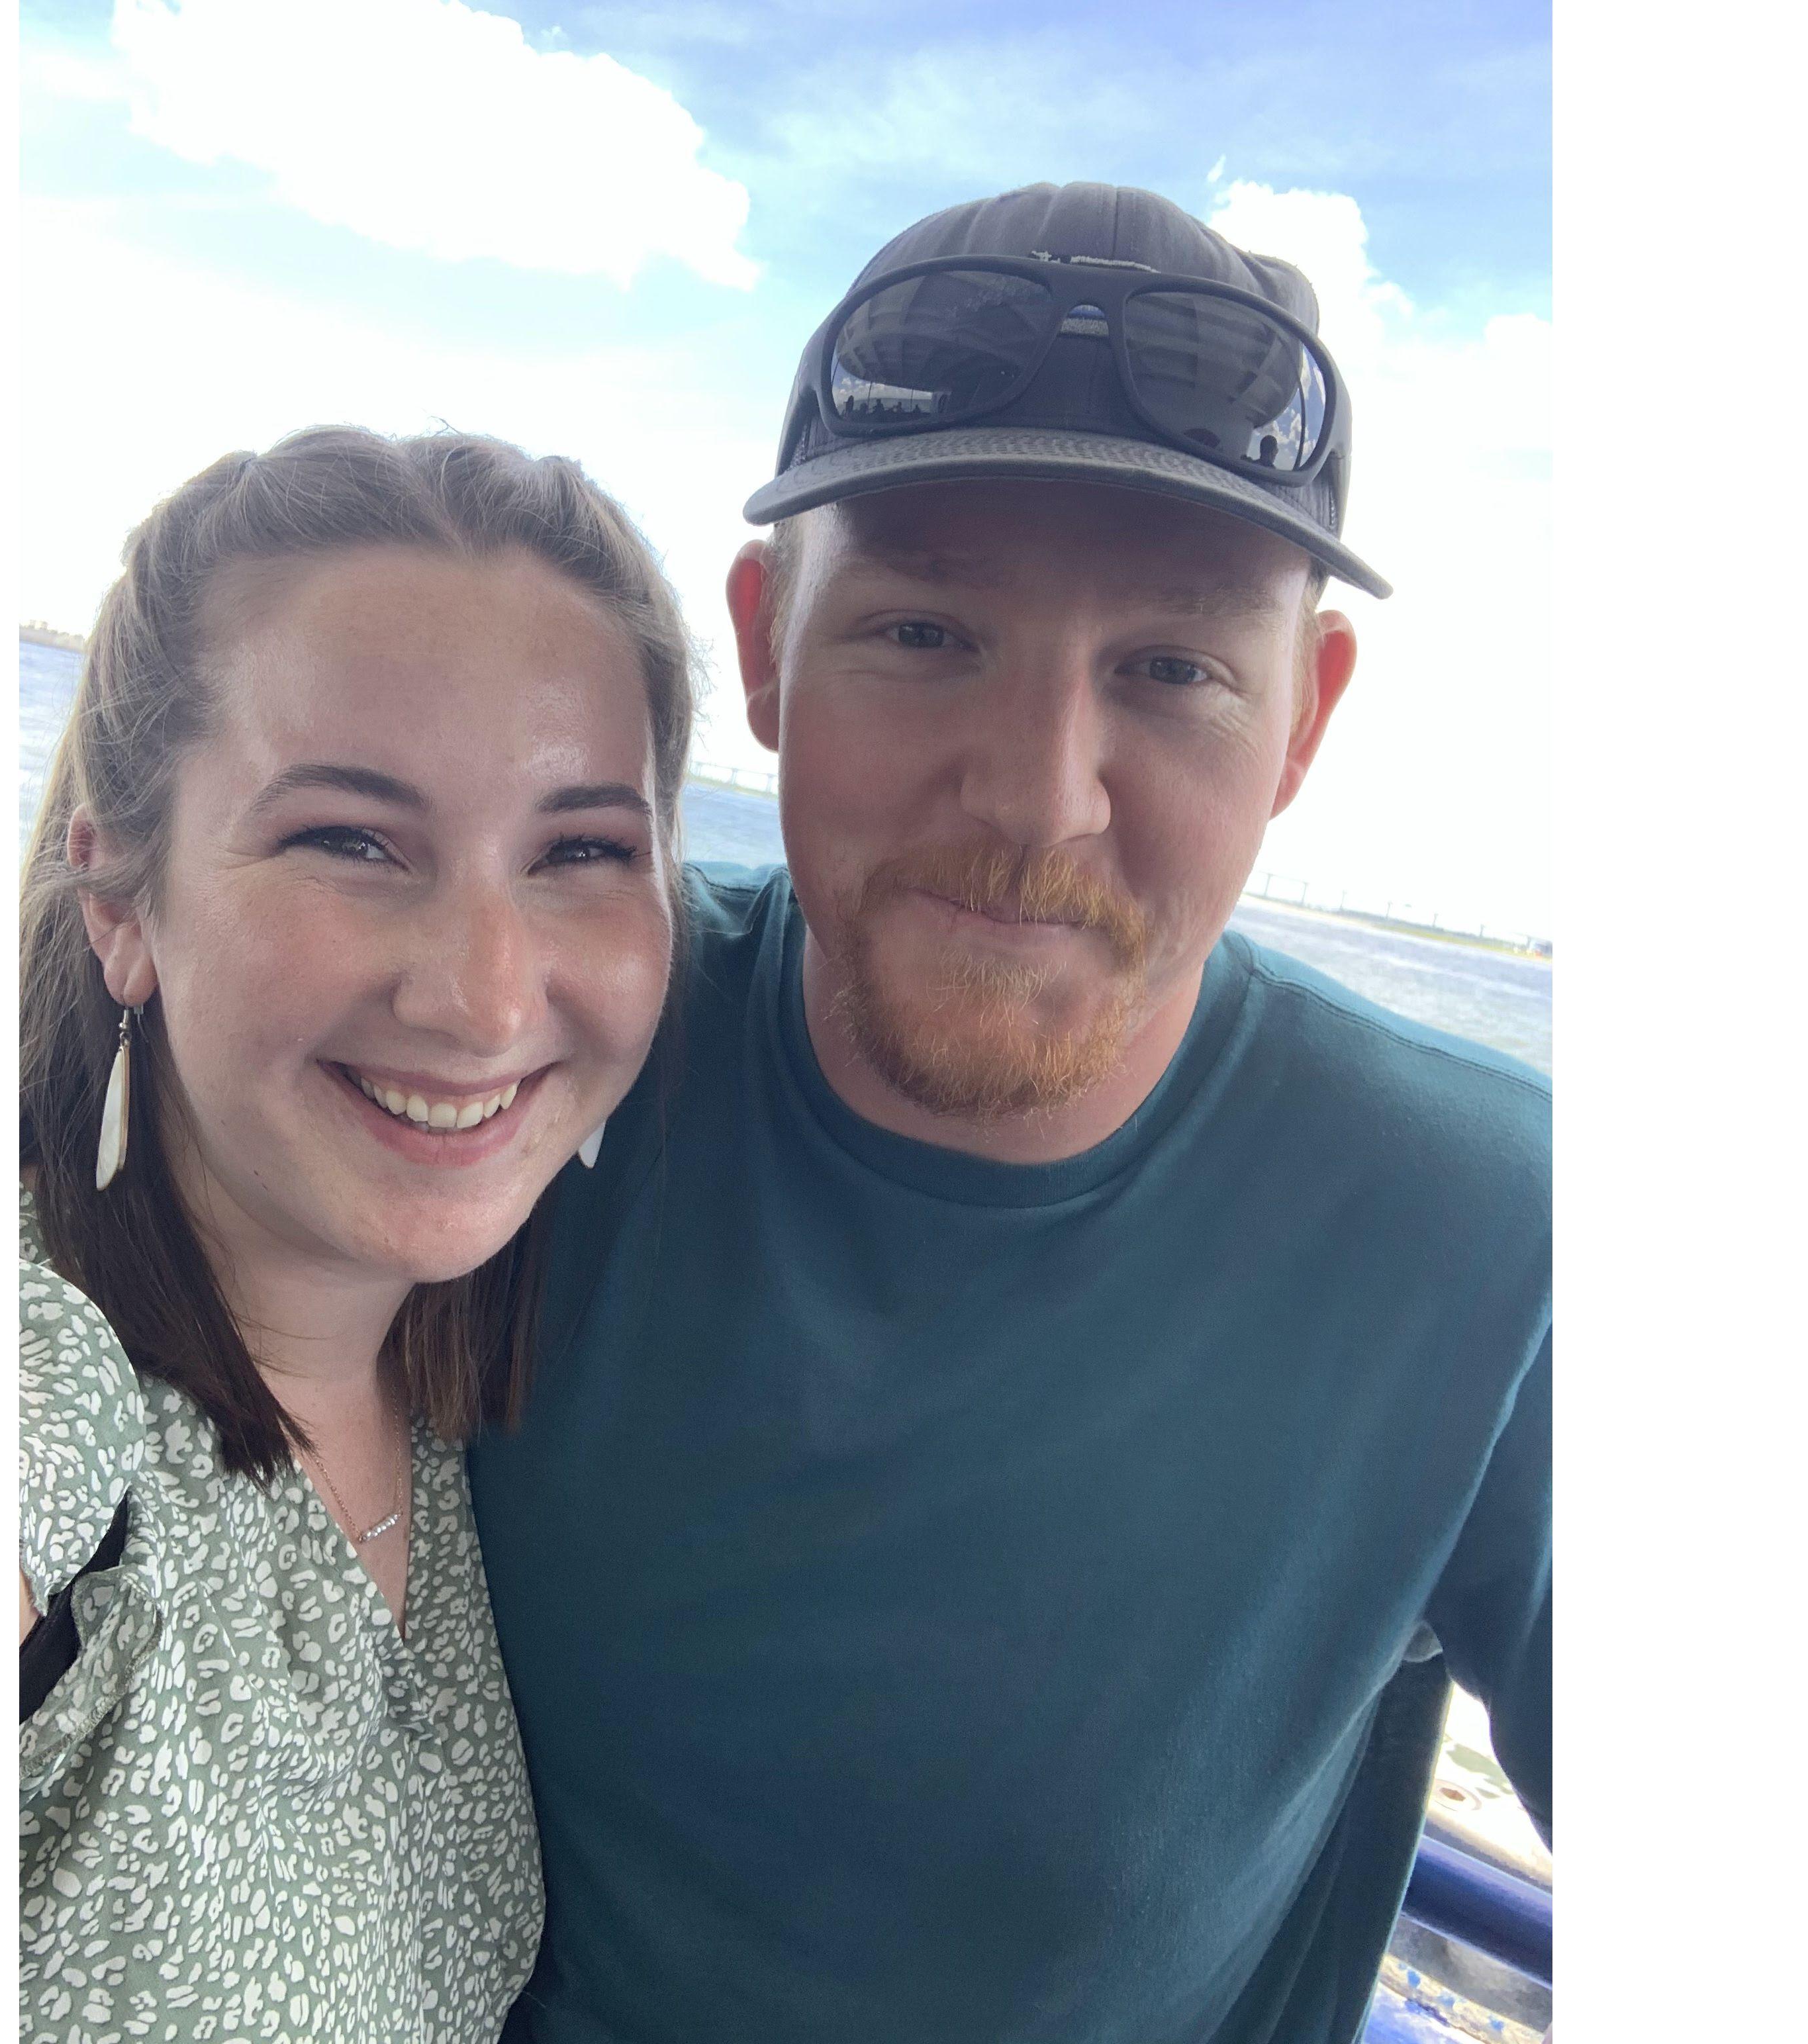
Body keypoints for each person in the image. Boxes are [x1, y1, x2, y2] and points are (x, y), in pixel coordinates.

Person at [469, 183, 1550, 2044]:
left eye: (1176, 671)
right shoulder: (521, 1047)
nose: (1040, 797)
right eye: (926, 634)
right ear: (765, 647)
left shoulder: (1500, 1238)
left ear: (1303, 723)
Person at [18, 426, 694, 2043]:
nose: (481, 992)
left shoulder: (455, 1405)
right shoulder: (33, 1367)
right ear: (120, 895)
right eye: (350, 837)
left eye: (579, 849)